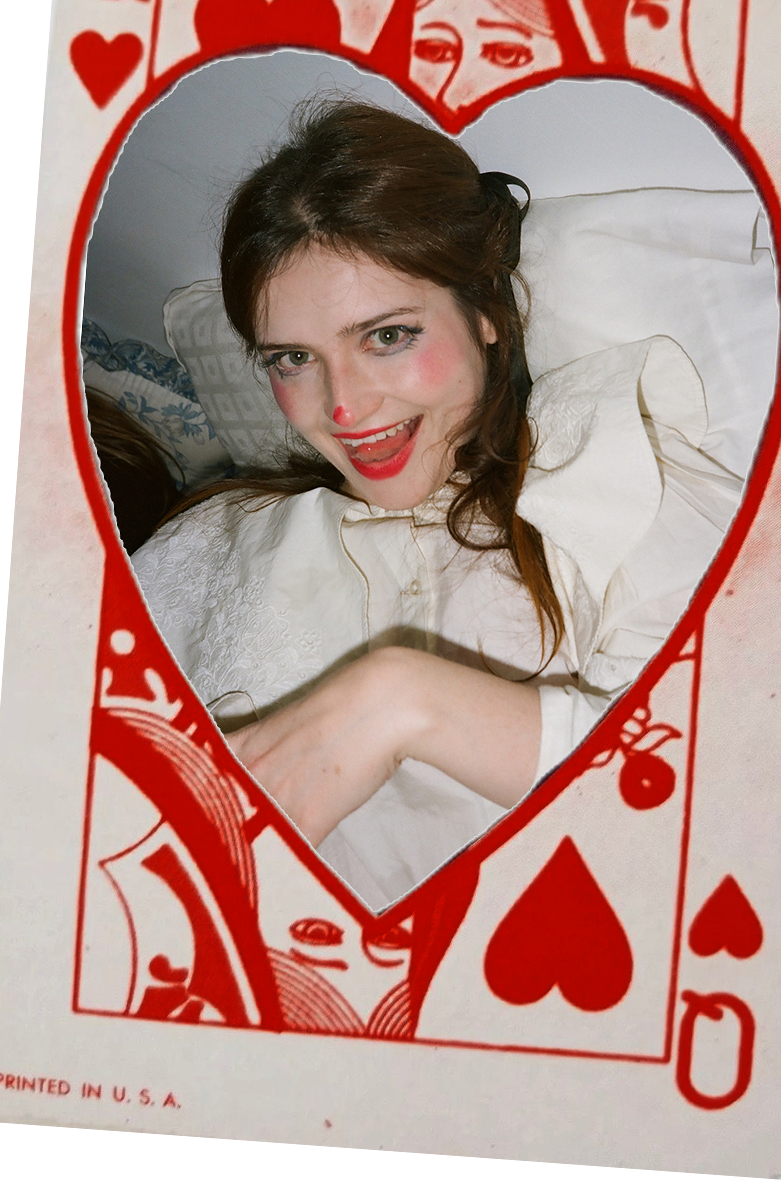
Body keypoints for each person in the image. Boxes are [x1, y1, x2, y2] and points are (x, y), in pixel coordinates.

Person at [132, 99, 742, 911]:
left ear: (487, 312)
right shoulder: (209, 538)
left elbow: (739, 793)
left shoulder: (616, 468)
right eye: (292, 358)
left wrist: (408, 700)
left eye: (387, 335)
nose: (343, 406)